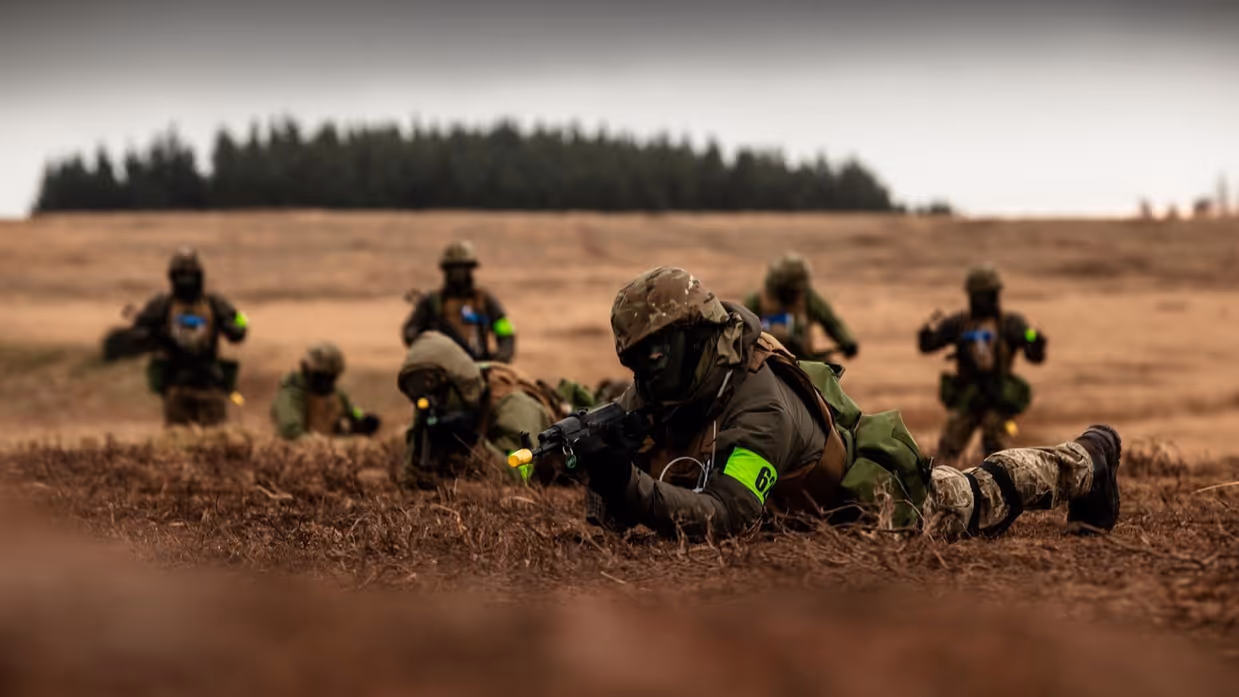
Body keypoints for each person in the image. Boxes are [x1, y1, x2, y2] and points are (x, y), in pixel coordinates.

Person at [569, 266, 1118, 542]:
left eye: (656, 353)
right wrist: (598, 471)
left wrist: (626, 483)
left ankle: (1089, 459)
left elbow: (727, 514)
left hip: (863, 505)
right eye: (636, 359)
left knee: (980, 493)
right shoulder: (666, 385)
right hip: (794, 522)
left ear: (693, 336)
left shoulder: (759, 405)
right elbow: (633, 495)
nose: (644, 371)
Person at [397, 331, 589, 489]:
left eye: (438, 392)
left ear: (459, 384)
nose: (430, 401)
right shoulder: (433, 411)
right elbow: (409, 479)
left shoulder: (513, 403)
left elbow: (518, 473)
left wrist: (470, 444)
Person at [918, 265, 1047, 462]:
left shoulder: (1010, 323)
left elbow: (1028, 338)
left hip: (998, 395)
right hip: (969, 395)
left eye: (988, 295)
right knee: (948, 447)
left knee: (997, 448)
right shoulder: (959, 323)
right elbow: (931, 343)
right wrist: (927, 333)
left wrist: (1034, 339)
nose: (985, 300)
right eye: (981, 295)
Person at [131, 247, 248, 427]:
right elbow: (138, 333)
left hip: (208, 384)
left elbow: (239, 324)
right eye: (182, 275)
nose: (187, 280)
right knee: (181, 444)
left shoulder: (213, 302)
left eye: (190, 275)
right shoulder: (163, 304)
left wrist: (240, 320)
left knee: (212, 443)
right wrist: (154, 336)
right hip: (178, 384)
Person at [401, 241, 516, 363]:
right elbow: (410, 331)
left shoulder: (484, 299)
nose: (458, 273)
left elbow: (504, 328)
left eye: (463, 268)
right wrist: (424, 341)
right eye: (453, 268)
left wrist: (503, 353)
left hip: (479, 365)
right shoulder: (432, 302)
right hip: (441, 366)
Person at [743, 252, 858, 361]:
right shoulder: (757, 300)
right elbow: (745, 329)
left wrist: (847, 341)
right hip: (765, 360)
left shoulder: (807, 298)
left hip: (801, 361)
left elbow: (831, 321)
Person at [270, 342, 381, 440]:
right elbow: (291, 433)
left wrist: (361, 417)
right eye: (322, 377)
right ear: (306, 370)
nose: (326, 383)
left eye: (331, 377)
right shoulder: (292, 394)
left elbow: (351, 409)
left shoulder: (336, 393)